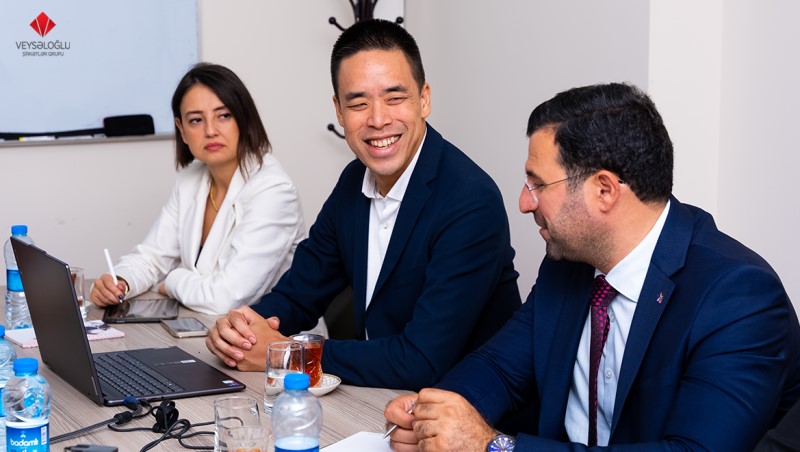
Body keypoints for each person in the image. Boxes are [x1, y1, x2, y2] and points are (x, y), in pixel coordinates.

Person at [385, 83, 800, 451]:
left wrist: (493, 447)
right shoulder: (570, 262)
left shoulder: (738, 297)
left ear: (604, 190)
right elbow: (499, 368)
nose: (525, 202)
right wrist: (433, 414)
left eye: (537, 183)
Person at [205, 19, 521, 389]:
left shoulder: (470, 201)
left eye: (395, 98)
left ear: (424, 99)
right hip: (376, 397)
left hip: (463, 406)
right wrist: (241, 330)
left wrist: (290, 354)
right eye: (358, 103)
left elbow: (421, 360)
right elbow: (299, 294)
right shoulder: (354, 181)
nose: (378, 119)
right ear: (339, 112)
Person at [90, 63, 306, 315]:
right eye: (196, 120)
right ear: (182, 130)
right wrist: (120, 281)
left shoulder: (274, 190)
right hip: (202, 324)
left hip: (270, 333)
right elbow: (152, 257)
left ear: (244, 119)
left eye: (223, 116)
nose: (210, 131)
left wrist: (171, 280)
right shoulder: (190, 178)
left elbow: (226, 298)